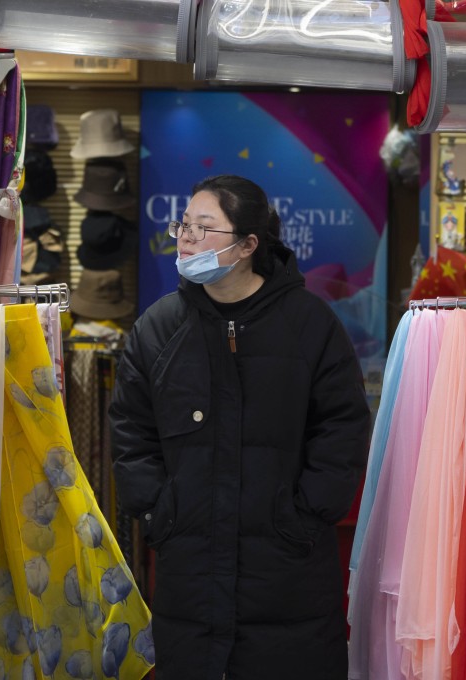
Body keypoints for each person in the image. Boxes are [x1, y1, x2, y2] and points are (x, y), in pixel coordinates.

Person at [109, 174, 370, 679]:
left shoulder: (309, 325)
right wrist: (159, 511)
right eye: (183, 225)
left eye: (203, 227)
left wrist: (304, 515)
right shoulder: (159, 328)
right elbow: (131, 432)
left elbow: (342, 427)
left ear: (249, 245)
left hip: (287, 572)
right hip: (190, 569)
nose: (186, 238)